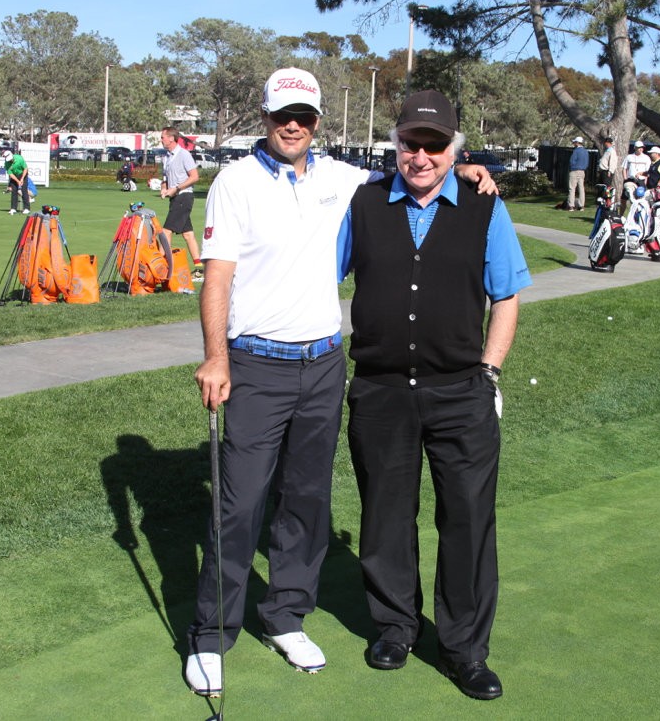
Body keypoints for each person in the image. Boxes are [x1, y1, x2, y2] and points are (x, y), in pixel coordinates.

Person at [186, 68, 496, 697]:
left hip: (326, 363)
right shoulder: (236, 182)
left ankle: (286, 616)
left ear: (319, 120)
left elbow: (417, 178)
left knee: (307, 501)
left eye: (302, 115)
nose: (291, 125)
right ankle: (212, 633)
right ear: (265, 117)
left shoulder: (345, 181)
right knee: (241, 502)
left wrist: (467, 169)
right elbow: (216, 277)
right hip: (256, 361)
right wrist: (215, 356)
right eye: (281, 115)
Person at [339, 89, 531, 701]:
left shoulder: (483, 205)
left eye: (434, 146)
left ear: (456, 148)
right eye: (410, 144)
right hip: (380, 389)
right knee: (386, 516)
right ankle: (395, 628)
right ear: (395, 143)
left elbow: (506, 295)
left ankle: (464, 649)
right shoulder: (365, 201)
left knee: (469, 521)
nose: (420, 157)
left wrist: (491, 370)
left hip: (461, 392)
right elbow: (322, 273)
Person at [158, 127, 203, 279]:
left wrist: (176, 188)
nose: (161, 140)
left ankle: (163, 268)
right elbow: (165, 178)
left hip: (184, 197)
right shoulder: (166, 157)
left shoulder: (184, 154)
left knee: (166, 232)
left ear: (171, 138)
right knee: (188, 235)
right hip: (175, 198)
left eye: (162, 137)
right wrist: (164, 189)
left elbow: (194, 176)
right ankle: (199, 269)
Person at [621, 139, 650, 212]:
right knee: (623, 199)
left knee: (640, 199)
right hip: (630, 180)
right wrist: (625, 178)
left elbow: (647, 171)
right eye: (639, 147)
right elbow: (624, 168)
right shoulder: (629, 157)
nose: (641, 149)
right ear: (635, 148)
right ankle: (620, 215)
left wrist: (645, 181)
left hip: (641, 180)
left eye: (642, 147)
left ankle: (638, 216)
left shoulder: (646, 158)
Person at [567, 135, 590, 211]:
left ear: (577, 143)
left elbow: (571, 161)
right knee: (581, 188)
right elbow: (587, 162)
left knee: (572, 188)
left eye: (574, 142)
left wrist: (572, 167)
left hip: (574, 170)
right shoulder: (585, 151)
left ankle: (571, 205)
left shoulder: (576, 151)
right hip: (582, 171)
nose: (574, 144)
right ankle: (581, 205)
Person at [4, 150, 31, 215]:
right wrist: (18, 181)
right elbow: (11, 174)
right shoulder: (6, 163)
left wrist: (22, 179)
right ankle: (13, 208)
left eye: (11, 159)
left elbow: (25, 169)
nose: (10, 161)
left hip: (23, 174)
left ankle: (27, 208)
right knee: (14, 191)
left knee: (24, 190)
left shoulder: (19, 158)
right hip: (14, 176)